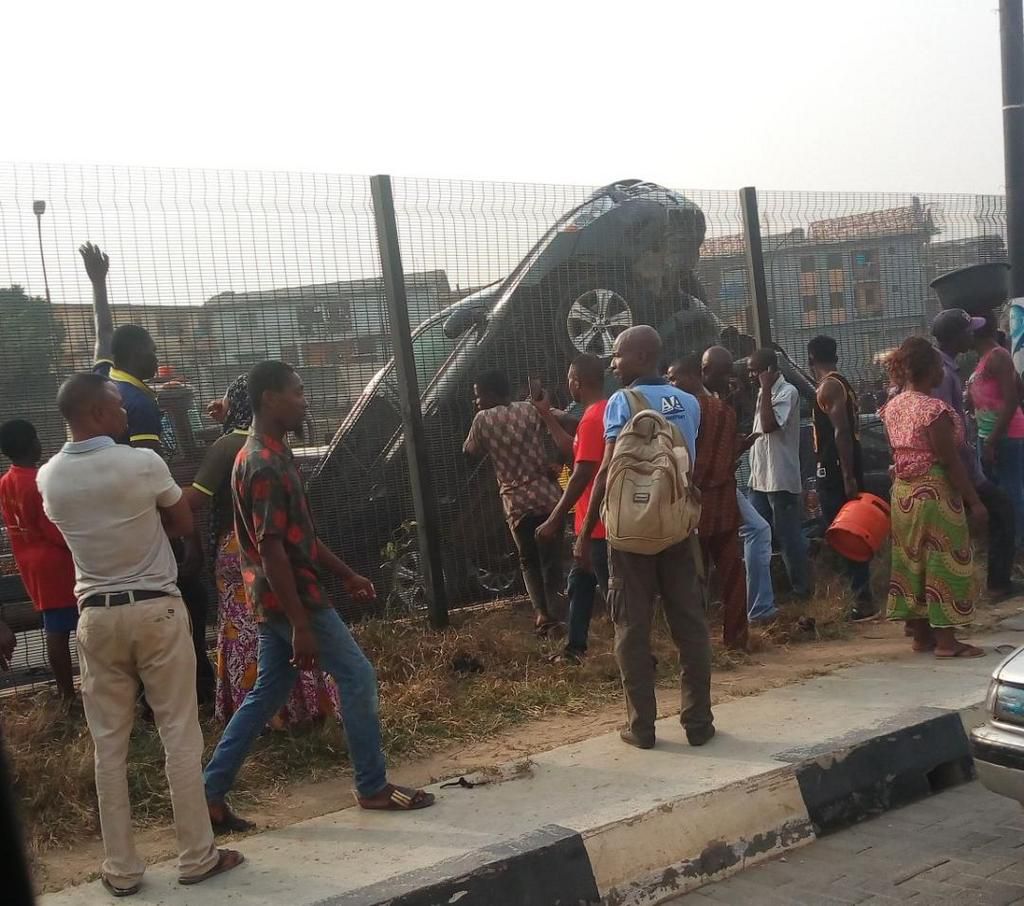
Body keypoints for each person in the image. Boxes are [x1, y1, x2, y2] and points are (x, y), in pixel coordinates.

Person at [203, 361, 434, 830]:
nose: (304, 401)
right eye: (298, 392)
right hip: (293, 601)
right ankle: (372, 786)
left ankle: (209, 791)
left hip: (276, 599)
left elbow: (298, 538)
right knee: (358, 676)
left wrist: (346, 573)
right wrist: (302, 624)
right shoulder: (264, 464)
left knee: (269, 692)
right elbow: (272, 551)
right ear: (270, 398)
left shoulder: (269, 454)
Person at [37, 372, 242, 895]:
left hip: (95, 615)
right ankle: (197, 856)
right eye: (117, 404)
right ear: (98, 413)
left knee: (110, 746)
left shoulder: (48, 477)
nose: (127, 411)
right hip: (156, 608)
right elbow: (180, 523)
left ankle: (122, 869)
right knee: (179, 732)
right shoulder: (143, 463)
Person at [79, 241, 216, 706]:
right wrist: (183, 541)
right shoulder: (137, 404)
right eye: (153, 350)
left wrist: (99, 285)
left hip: (109, 532)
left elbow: (102, 338)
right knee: (189, 604)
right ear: (139, 355)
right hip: (147, 532)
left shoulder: (104, 380)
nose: (157, 357)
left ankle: (148, 697)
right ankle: (193, 694)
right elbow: (151, 480)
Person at [576, 325, 714, 750]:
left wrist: (584, 534)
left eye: (616, 355)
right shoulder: (692, 402)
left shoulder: (622, 402)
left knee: (632, 628)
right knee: (690, 625)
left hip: (631, 532)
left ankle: (643, 726)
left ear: (639, 356)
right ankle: (698, 722)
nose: (612, 363)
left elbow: (608, 470)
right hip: (677, 525)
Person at [185, 375, 340, 725]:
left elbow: (194, 499)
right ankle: (303, 708)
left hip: (239, 550)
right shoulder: (271, 447)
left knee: (246, 632)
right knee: (277, 629)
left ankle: (260, 715)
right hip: (271, 547)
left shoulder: (230, 447)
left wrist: (152, 495)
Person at [879, 338, 985, 659]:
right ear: (928, 369)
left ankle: (921, 636)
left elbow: (896, 452)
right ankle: (947, 642)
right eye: (939, 365)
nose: (943, 370)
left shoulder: (893, 406)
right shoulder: (933, 410)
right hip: (934, 494)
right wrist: (975, 502)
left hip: (904, 494)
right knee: (943, 561)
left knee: (913, 561)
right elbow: (950, 461)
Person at [463, 369, 564, 635]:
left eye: (478, 396)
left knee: (528, 559)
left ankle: (542, 614)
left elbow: (469, 451)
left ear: (492, 394)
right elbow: (568, 423)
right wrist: (556, 461)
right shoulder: (531, 410)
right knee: (552, 558)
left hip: (516, 502)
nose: (476, 402)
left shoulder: (482, 419)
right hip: (547, 495)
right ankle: (557, 610)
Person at [932, 309, 1018, 600]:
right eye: (968, 330)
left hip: (965, 459)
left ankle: (997, 581)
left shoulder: (947, 368)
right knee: (1001, 508)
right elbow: (942, 423)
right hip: (956, 463)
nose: (973, 334)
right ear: (957, 337)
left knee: (1001, 508)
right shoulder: (941, 373)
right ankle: (996, 584)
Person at [667, 354, 749, 651]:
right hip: (725, 504)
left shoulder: (684, 412)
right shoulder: (725, 411)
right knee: (732, 573)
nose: (671, 384)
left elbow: (686, 461)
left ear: (692, 377)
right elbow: (726, 455)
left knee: (692, 578)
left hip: (695, 506)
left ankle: (695, 643)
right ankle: (737, 638)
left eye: (674, 378)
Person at [532, 354, 608, 663]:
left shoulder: (592, 419)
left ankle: (639, 653)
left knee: (612, 593)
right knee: (581, 583)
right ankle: (575, 648)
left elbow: (582, 472)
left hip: (598, 526)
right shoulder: (603, 413)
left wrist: (554, 518)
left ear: (577, 383)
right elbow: (574, 451)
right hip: (593, 523)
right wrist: (547, 415)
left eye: (569, 381)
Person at [0, 420, 78, 700]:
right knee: (71, 627)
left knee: (54, 626)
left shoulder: (6, 481)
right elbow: (52, 528)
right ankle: (71, 693)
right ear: (33, 443)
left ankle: (65, 692)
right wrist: (79, 543)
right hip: (57, 562)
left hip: (30, 563)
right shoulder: (38, 480)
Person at [701, 347, 778, 625]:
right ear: (706, 371)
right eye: (724, 374)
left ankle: (755, 610)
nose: (729, 380)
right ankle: (756, 610)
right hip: (711, 487)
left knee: (753, 532)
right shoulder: (703, 404)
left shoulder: (718, 402)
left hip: (720, 484)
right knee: (751, 533)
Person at [807, 336, 877, 620]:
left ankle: (862, 599)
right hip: (839, 467)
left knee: (845, 531)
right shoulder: (840, 383)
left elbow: (842, 432)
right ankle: (857, 594)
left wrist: (847, 475)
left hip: (836, 469)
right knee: (841, 529)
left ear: (810, 358)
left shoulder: (830, 386)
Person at [747, 348, 811, 599]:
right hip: (760, 477)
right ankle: (767, 590)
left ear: (771, 370)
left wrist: (763, 390)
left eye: (756, 371)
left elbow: (770, 425)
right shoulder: (763, 395)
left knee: (788, 535)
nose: (752, 376)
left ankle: (801, 589)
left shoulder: (787, 392)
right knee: (757, 531)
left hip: (779, 478)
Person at [969, 314, 1024, 553]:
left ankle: (1017, 544)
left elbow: (1011, 401)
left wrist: (992, 440)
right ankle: (1003, 543)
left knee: (1011, 490)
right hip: (988, 434)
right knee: (995, 491)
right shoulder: (983, 359)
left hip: (1005, 435)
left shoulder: (998, 356)